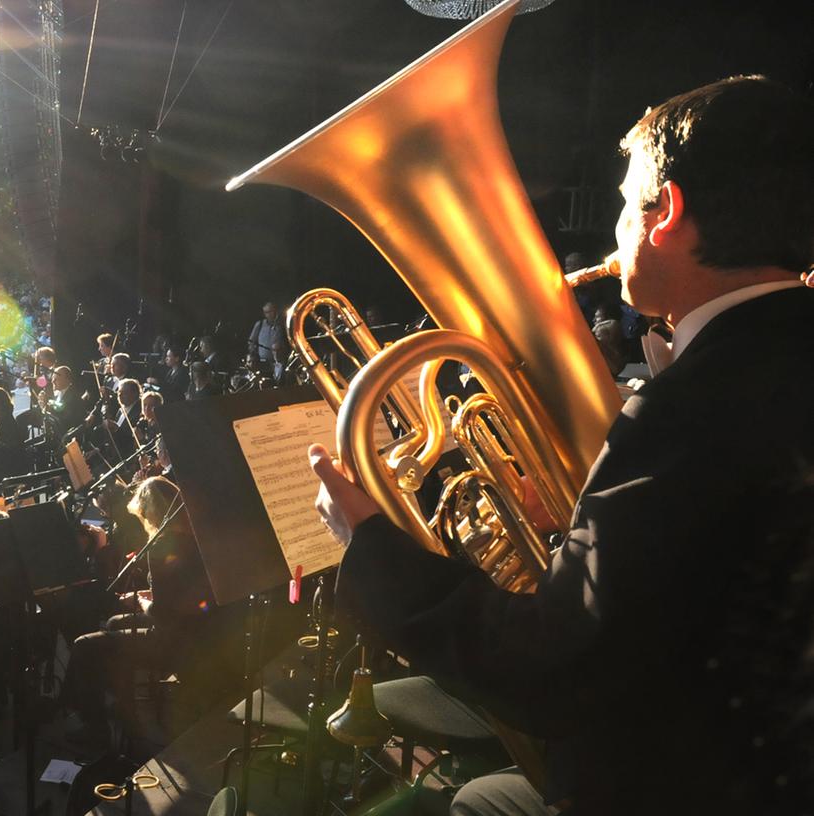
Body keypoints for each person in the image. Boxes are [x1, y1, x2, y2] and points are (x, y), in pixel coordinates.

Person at [309, 77, 814, 815]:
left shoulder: (687, 412)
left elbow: (550, 674)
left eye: (620, 204)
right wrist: (573, 525)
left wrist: (371, 546)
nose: (614, 231)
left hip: (690, 778)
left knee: (473, 802)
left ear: (665, 210)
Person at [61, 477, 239, 751]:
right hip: (201, 631)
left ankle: (96, 727)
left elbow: (162, 615)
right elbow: (182, 597)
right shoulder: (196, 539)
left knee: (84, 646)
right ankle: (123, 703)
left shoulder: (162, 546)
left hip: (176, 642)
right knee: (113, 623)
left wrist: (141, 603)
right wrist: (151, 598)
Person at [246, 301, 286, 366]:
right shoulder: (260, 324)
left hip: (279, 363)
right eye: (266, 312)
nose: (269, 314)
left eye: (271, 311)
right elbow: (251, 342)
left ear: (275, 311)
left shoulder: (281, 325)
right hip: (262, 362)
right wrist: (252, 354)